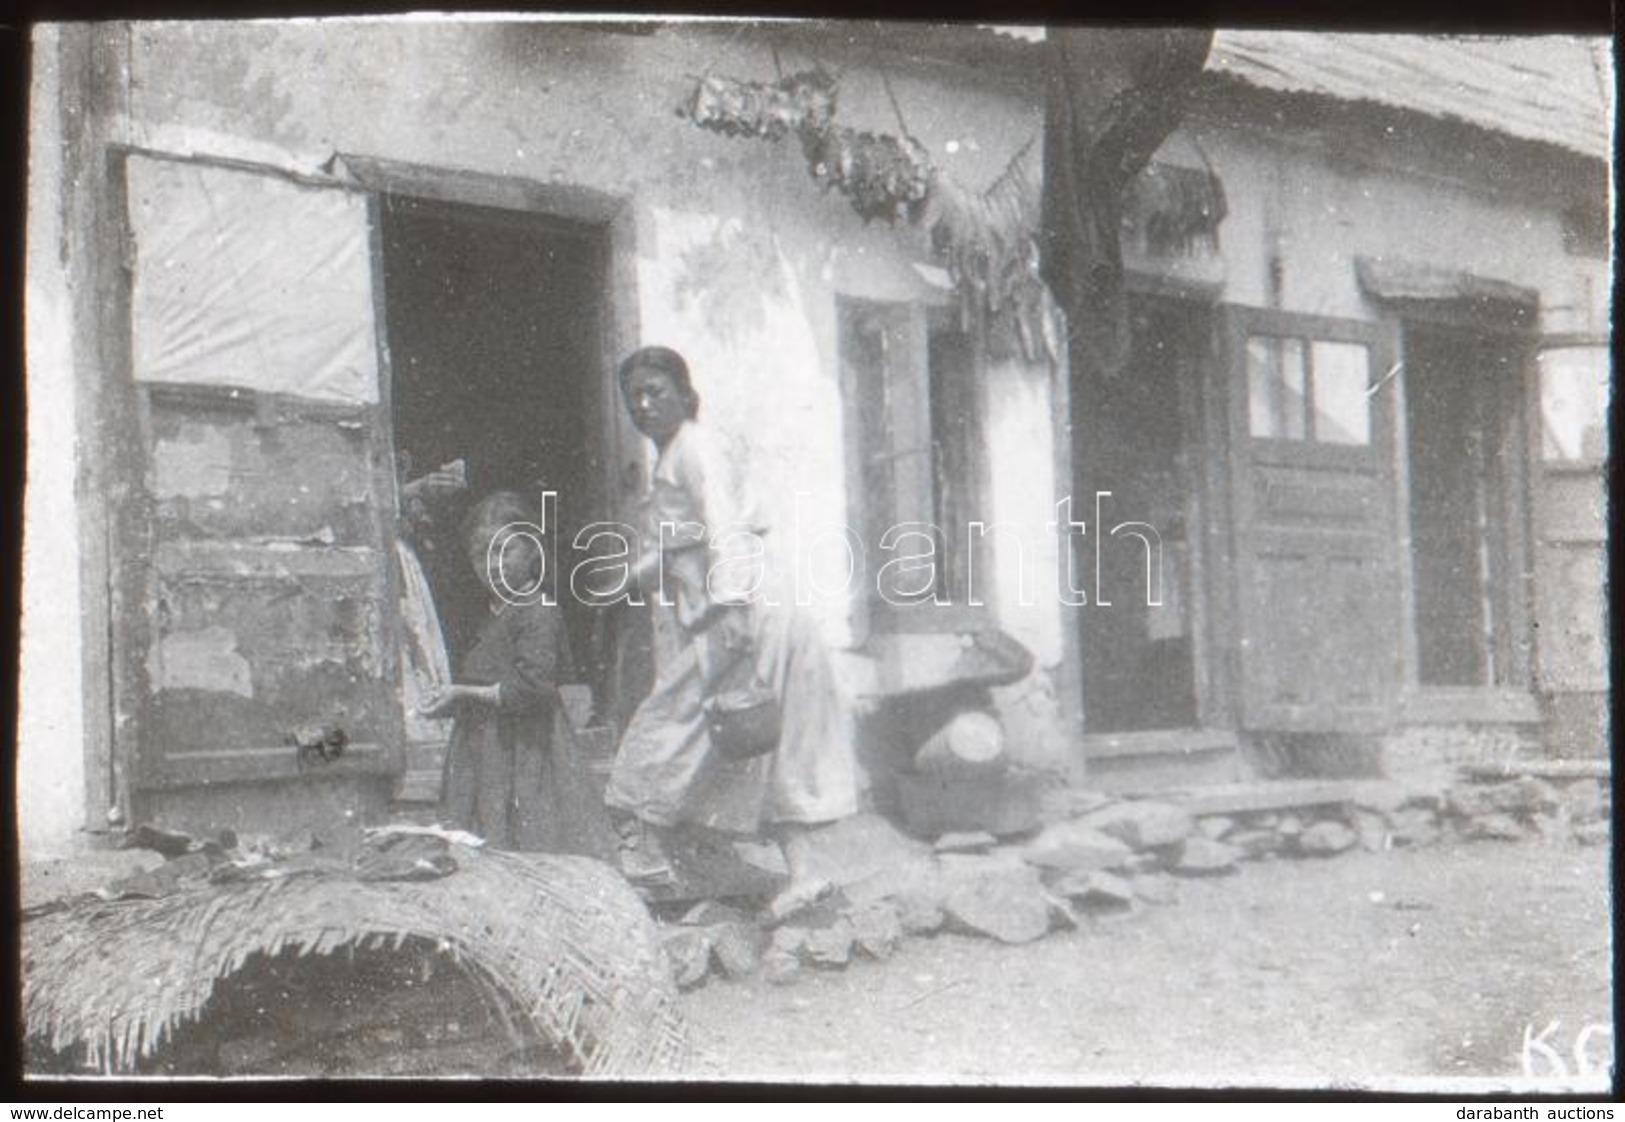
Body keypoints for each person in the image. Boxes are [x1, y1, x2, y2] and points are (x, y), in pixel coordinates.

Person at [604, 345, 858, 919]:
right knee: (755, 737)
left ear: (684, 395)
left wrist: (732, 612)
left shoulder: (695, 449)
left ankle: (648, 851)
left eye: (656, 391)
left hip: (744, 610)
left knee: (679, 720)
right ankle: (795, 874)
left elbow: (724, 530)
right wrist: (629, 580)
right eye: (634, 396)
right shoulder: (671, 458)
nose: (644, 404)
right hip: (741, 609)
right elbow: (678, 543)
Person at [420, 491, 615, 858]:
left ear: (532, 551)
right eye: (481, 555)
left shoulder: (538, 611)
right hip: (485, 751)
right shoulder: (493, 613)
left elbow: (531, 689)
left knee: (531, 839)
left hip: (526, 750)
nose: (492, 565)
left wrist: (460, 694)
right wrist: (451, 700)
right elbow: (486, 679)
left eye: (503, 551)